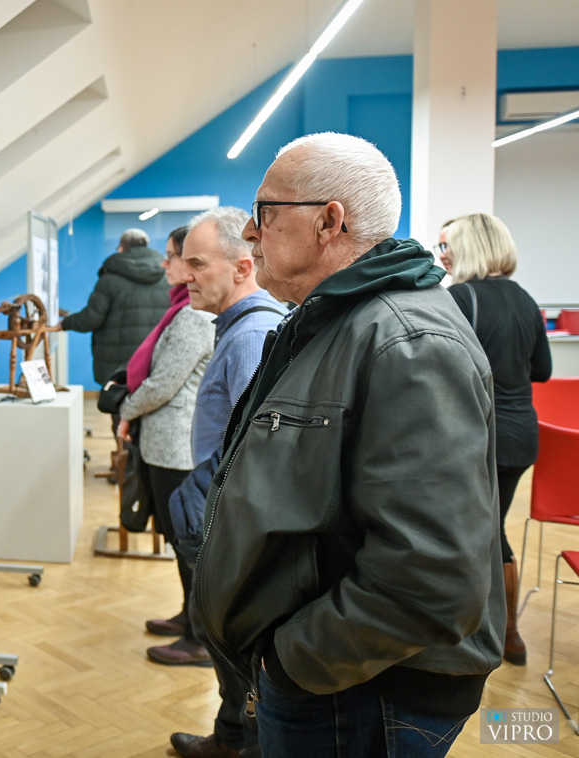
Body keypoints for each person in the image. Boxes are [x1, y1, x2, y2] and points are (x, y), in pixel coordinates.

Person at [195, 132, 503, 758]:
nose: (250, 234)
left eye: (264, 213)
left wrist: (291, 661)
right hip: (336, 675)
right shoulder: (331, 320)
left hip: (362, 688)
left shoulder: (408, 342)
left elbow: (431, 573)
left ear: (329, 222)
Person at [156, 209, 285, 758]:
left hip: (232, 529)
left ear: (242, 267)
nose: (185, 276)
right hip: (224, 520)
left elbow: (257, 452)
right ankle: (231, 737)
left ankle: (240, 744)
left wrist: (200, 508)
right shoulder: (238, 328)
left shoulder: (251, 334)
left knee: (239, 656)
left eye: (198, 264)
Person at [441, 212, 552, 666]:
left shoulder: (459, 298)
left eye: (447, 246)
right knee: (492, 527)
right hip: (522, 436)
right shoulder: (525, 299)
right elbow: (542, 370)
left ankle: (490, 631)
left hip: (480, 436)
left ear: (470, 247)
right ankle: (507, 635)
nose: (442, 255)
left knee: (478, 531)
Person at [113, 227, 214, 642]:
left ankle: (199, 637)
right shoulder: (181, 309)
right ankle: (188, 618)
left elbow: (163, 384)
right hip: (168, 445)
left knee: (187, 542)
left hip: (177, 449)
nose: (164, 263)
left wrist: (125, 410)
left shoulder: (192, 316)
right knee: (177, 539)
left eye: (171, 256)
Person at [60, 228, 171, 386]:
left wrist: (66, 323)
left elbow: (91, 319)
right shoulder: (167, 278)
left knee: (116, 398)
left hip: (117, 363)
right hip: (153, 357)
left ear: (122, 248)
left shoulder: (109, 279)